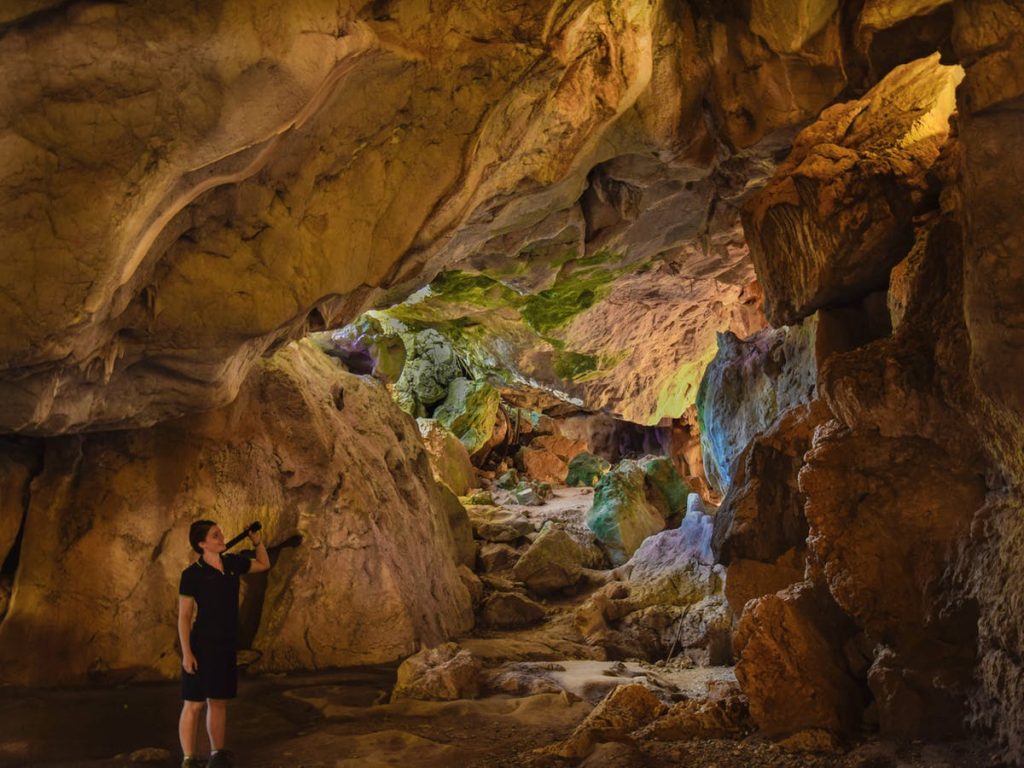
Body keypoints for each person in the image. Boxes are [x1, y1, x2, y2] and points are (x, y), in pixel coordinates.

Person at [178, 519, 271, 768]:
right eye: (215, 535)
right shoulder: (192, 575)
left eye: (220, 534)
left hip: (225, 645)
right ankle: (189, 759)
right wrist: (187, 653)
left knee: (218, 701)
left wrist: (257, 541)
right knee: (195, 703)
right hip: (201, 645)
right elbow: (184, 617)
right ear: (202, 544)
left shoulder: (232, 564)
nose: (221, 538)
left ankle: (217, 754)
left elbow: (263, 564)